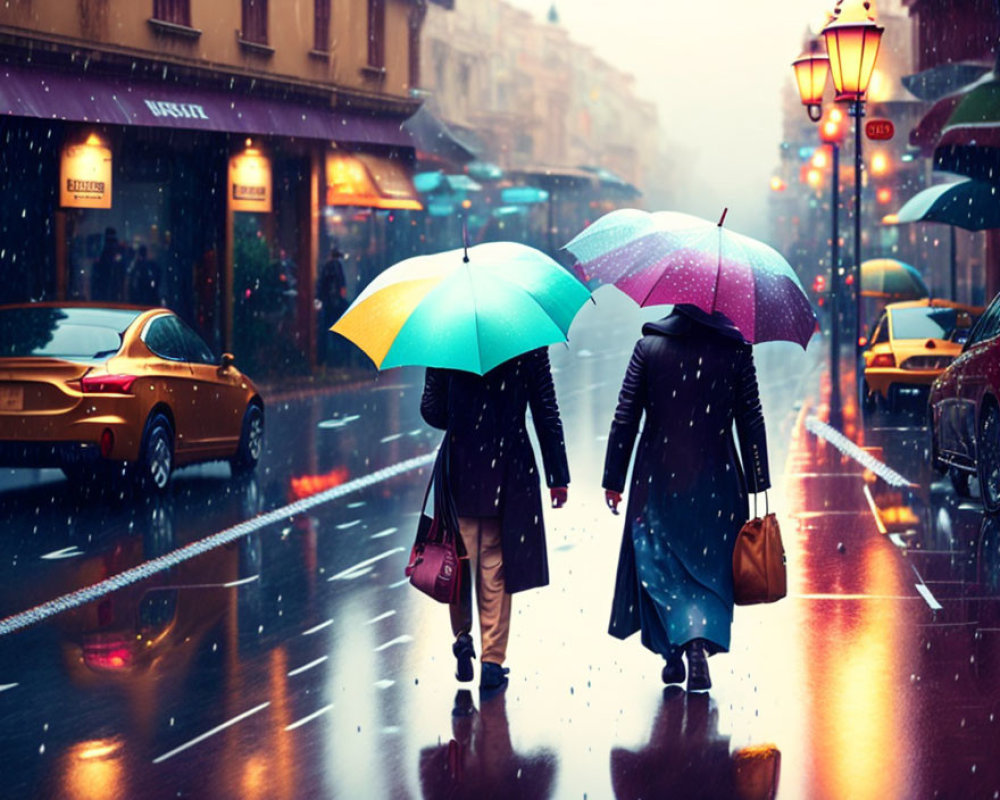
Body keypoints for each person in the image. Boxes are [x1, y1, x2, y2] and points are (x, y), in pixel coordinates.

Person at [602, 303, 769, 693]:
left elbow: (626, 416)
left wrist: (614, 477)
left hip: (658, 477)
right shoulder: (737, 350)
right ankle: (696, 645)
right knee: (709, 572)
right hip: (718, 480)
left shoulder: (648, 347)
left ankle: (673, 651)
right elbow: (751, 418)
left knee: (661, 565)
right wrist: (759, 480)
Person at [420, 347, 570, 693]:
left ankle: (462, 638)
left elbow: (431, 410)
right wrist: (557, 474)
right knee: (495, 562)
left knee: (457, 559)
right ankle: (491, 660)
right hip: (509, 464)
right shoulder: (527, 338)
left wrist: (462, 412)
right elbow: (545, 408)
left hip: (461, 463)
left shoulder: (447, 336)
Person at [317, 244, 348, 366]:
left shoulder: (326, 267)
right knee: (337, 334)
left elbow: (321, 286)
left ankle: (324, 359)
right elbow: (342, 286)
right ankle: (338, 359)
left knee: (325, 332)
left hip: (327, 304)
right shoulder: (338, 266)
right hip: (336, 305)